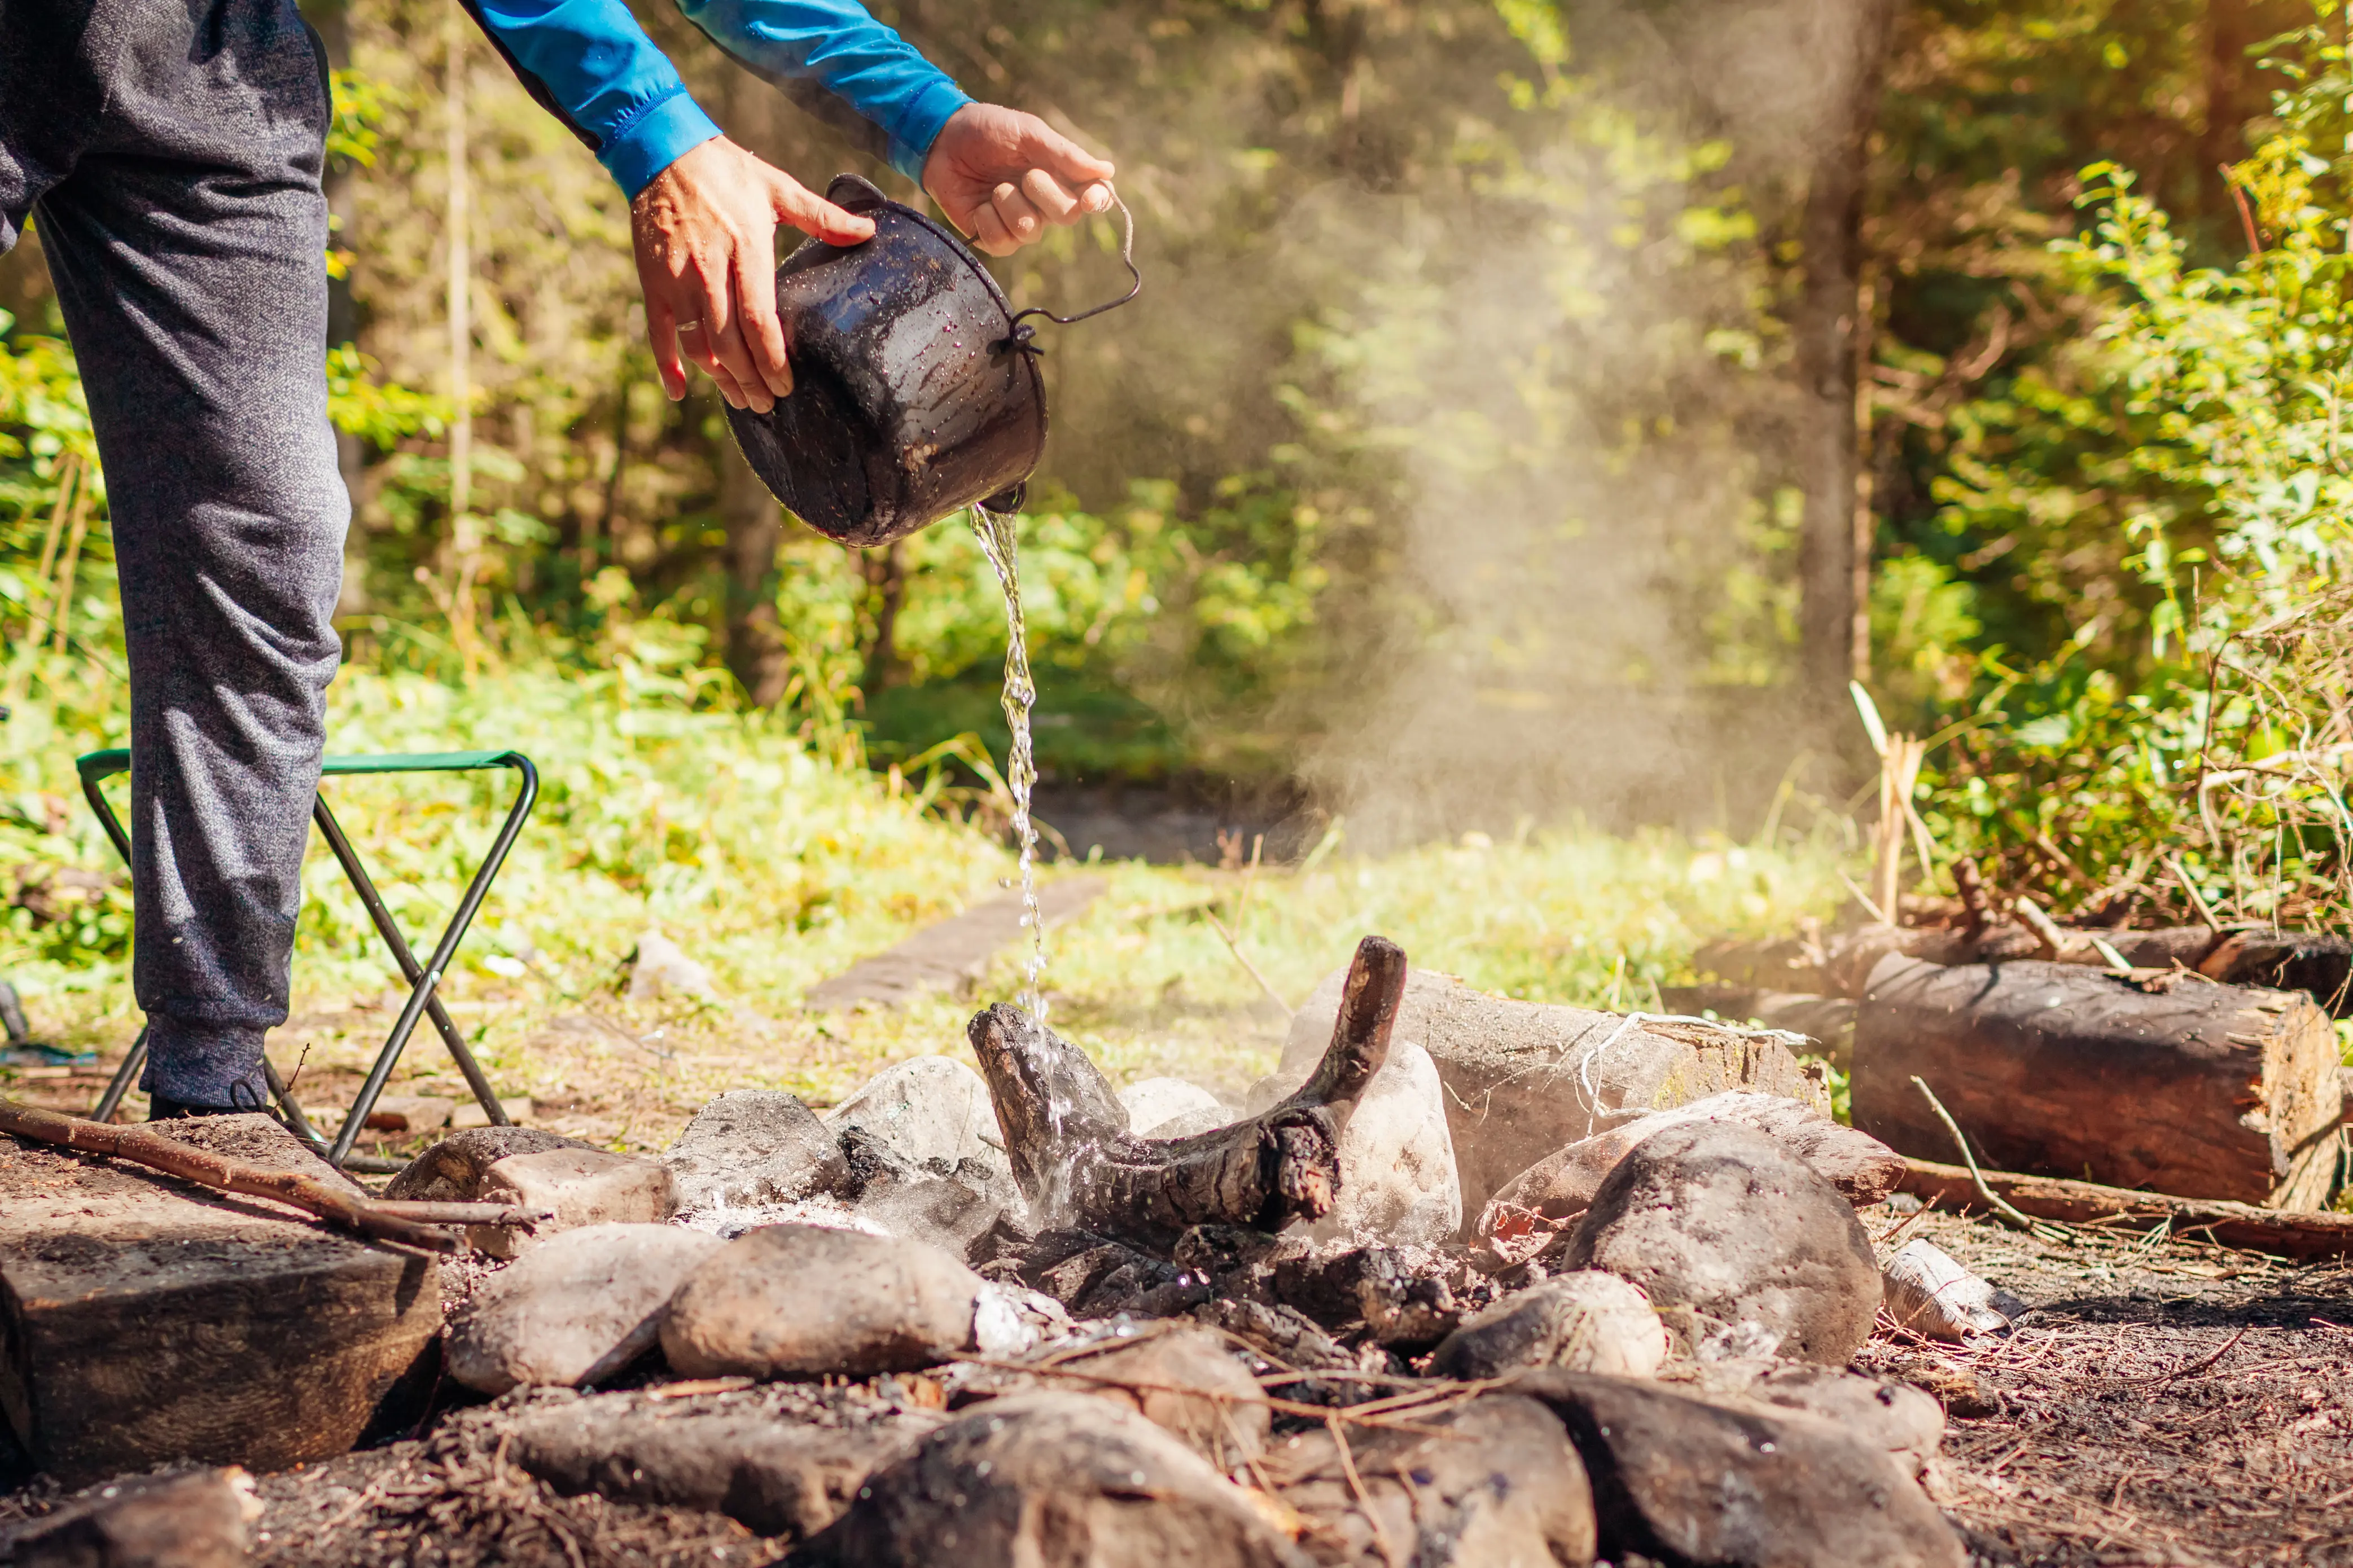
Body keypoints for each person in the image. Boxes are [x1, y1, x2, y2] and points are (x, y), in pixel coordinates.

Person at [0, 0, 1114, 1117]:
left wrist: (923, 113)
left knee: (266, 539)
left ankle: (212, 1079)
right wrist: (657, 128)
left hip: (214, 60)